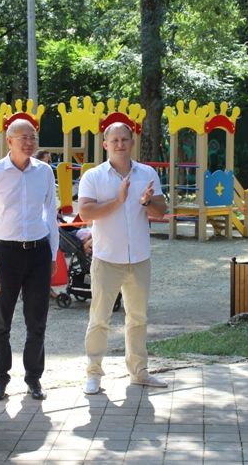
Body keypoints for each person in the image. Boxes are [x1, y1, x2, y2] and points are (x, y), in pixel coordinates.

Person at [78, 122, 168, 394]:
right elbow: (85, 213)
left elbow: (161, 211)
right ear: (105, 144)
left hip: (139, 258)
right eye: (114, 140)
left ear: (132, 142)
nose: (120, 144)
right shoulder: (93, 176)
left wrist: (146, 202)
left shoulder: (147, 173)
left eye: (124, 139)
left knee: (138, 318)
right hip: (107, 258)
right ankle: (94, 373)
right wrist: (119, 200)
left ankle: (139, 371)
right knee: (99, 319)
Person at [0, 119, 58, 401]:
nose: (29, 143)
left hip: (38, 251)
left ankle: (34, 377)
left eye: (33, 137)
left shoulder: (44, 171)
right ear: (9, 141)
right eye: (23, 137)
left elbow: (51, 214)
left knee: (37, 320)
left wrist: (53, 253)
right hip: (3, 252)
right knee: (0, 320)